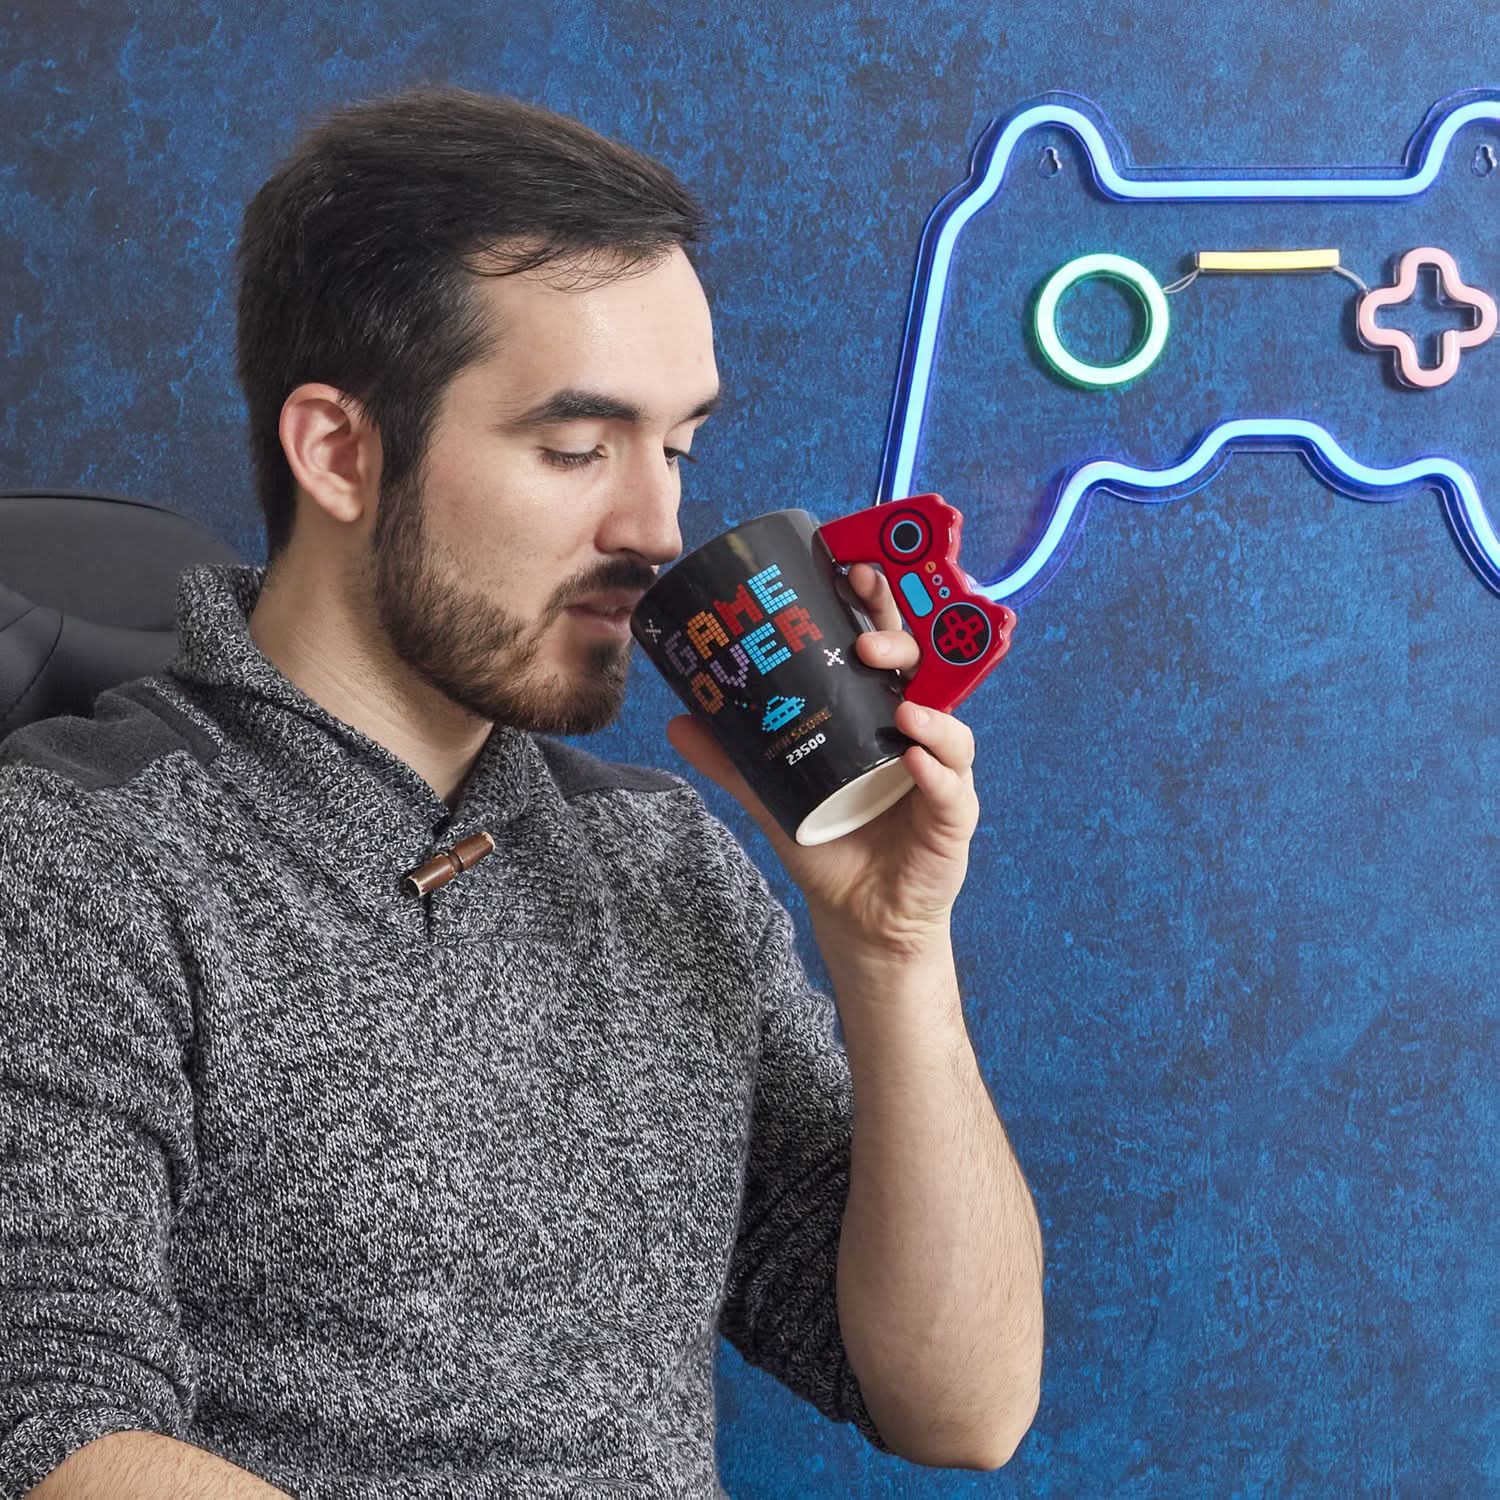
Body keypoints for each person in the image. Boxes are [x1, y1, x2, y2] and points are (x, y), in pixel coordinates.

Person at [0, 87, 1044, 1499]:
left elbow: (960, 1403)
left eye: (677, 447)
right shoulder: (72, 859)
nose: (657, 529)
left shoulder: (663, 862)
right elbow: (47, 1433)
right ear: (340, 452)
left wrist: (893, 951)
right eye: (576, 448)